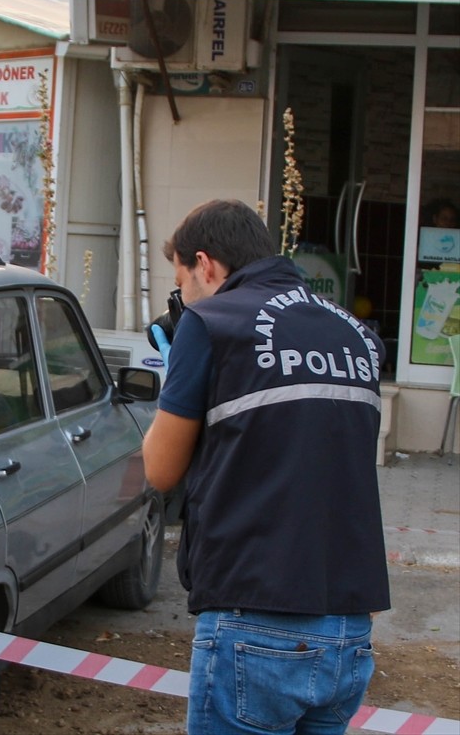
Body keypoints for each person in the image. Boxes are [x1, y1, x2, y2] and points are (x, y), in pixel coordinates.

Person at [142, 199, 390, 735]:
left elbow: (160, 471)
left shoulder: (210, 323)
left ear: (204, 265)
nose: (182, 294)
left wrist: (177, 373)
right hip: (348, 624)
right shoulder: (358, 335)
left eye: (181, 278)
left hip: (253, 615)